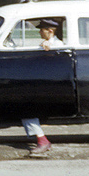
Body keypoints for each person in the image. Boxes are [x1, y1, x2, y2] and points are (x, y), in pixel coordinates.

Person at [23, 18, 63, 156]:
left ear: (50, 31)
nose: (39, 32)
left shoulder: (57, 45)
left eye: (42, 30)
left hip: (53, 87)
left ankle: (42, 141)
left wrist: (50, 49)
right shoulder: (45, 44)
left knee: (26, 107)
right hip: (45, 84)